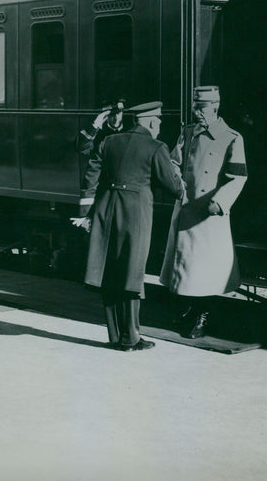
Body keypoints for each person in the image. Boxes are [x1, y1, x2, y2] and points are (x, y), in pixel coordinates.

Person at [74, 101, 184, 351]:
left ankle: (116, 336)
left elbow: (90, 175)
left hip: (106, 208)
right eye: (159, 123)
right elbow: (174, 187)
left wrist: (84, 212)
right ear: (153, 122)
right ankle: (132, 338)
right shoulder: (156, 147)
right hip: (135, 212)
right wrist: (175, 169)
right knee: (132, 273)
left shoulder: (109, 141)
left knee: (111, 271)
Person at [160, 86, 248, 339]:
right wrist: (176, 184)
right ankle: (189, 309)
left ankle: (203, 315)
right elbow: (174, 162)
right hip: (186, 207)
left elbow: (237, 177)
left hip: (209, 214)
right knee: (186, 266)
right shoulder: (187, 133)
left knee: (206, 269)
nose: (197, 113)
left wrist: (219, 203)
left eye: (202, 107)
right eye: (195, 107)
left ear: (215, 107)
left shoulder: (232, 138)